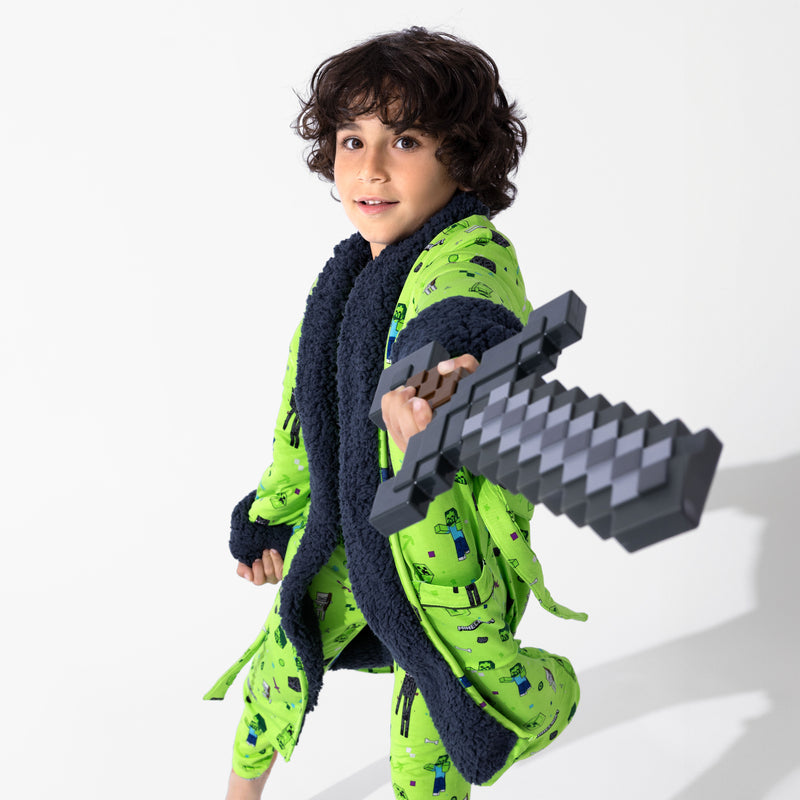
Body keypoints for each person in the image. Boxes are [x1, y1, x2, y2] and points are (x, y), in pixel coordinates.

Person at [205, 27, 586, 800]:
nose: (371, 168)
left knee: (433, 729)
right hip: (347, 524)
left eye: (405, 140)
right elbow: (300, 424)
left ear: (461, 156)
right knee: (282, 658)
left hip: (438, 537)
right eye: (352, 140)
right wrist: (271, 517)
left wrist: (446, 366)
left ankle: (544, 695)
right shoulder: (340, 286)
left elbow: (464, 305)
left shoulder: (470, 248)